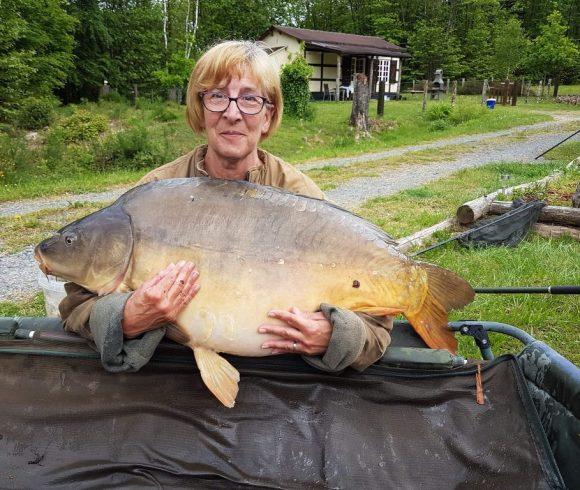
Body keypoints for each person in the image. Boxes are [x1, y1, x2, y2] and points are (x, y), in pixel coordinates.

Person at [59, 40, 393, 374]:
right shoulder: (153, 194)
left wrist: (334, 336)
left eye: (249, 98)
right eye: (217, 96)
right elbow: (76, 307)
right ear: (200, 109)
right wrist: (127, 318)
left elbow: (377, 329)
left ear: (268, 116)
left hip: (284, 384)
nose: (232, 113)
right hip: (171, 378)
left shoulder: (301, 198)